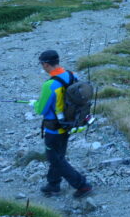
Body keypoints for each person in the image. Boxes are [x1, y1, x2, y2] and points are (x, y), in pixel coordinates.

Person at [34, 49, 93, 198]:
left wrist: (34, 104)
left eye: (42, 64)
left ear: (46, 64)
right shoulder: (73, 75)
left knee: (55, 158)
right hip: (69, 124)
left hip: (54, 129)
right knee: (58, 156)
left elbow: (41, 109)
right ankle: (53, 184)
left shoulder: (50, 85)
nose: (42, 67)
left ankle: (82, 185)